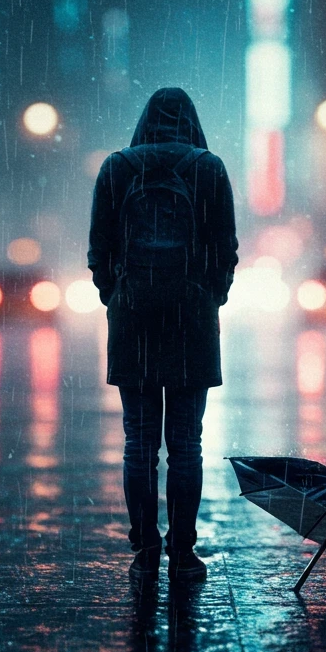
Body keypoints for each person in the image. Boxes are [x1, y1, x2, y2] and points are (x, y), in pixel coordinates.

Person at [87, 87, 239, 585]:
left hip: (134, 318)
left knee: (139, 443)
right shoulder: (208, 168)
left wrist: (120, 294)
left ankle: (144, 548)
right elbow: (226, 249)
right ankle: (183, 550)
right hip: (191, 318)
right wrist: (207, 295)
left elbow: (98, 250)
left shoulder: (117, 168)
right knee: (186, 445)